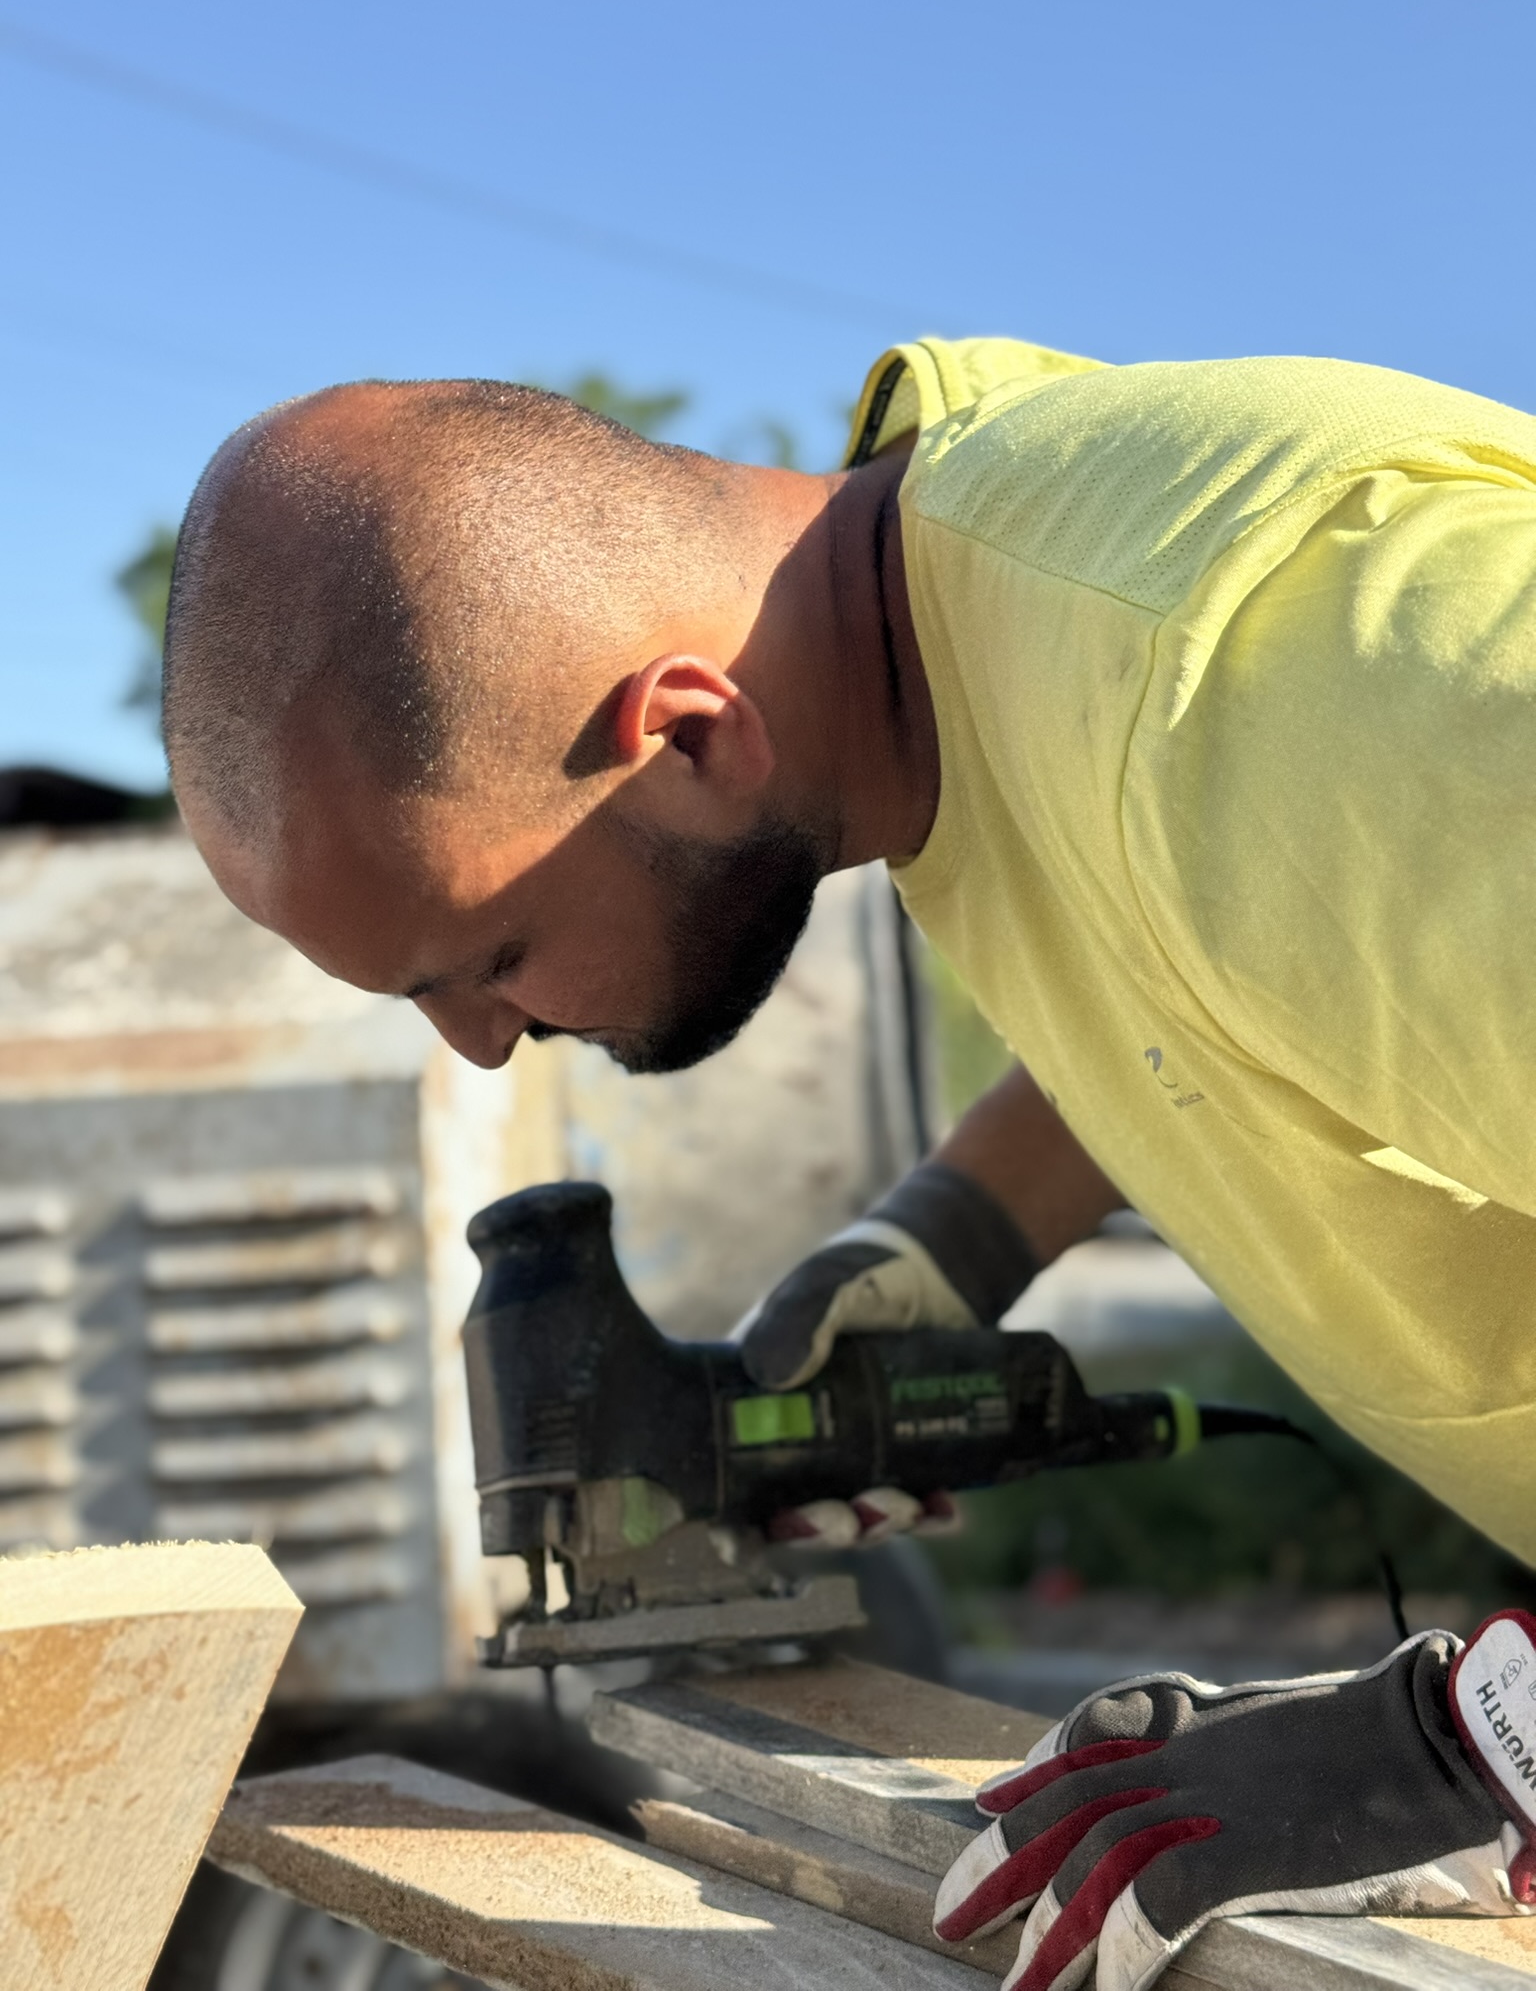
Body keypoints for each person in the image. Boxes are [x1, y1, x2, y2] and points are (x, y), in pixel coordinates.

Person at [163, 338, 1536, 1988]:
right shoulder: (961, 628)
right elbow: (1243, 957)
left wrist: (1474, 1750)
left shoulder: (1271, 664)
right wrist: (953, 1239)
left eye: (491, 955)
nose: (479, 1046)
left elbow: (1264, 814)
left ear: (684, 737)